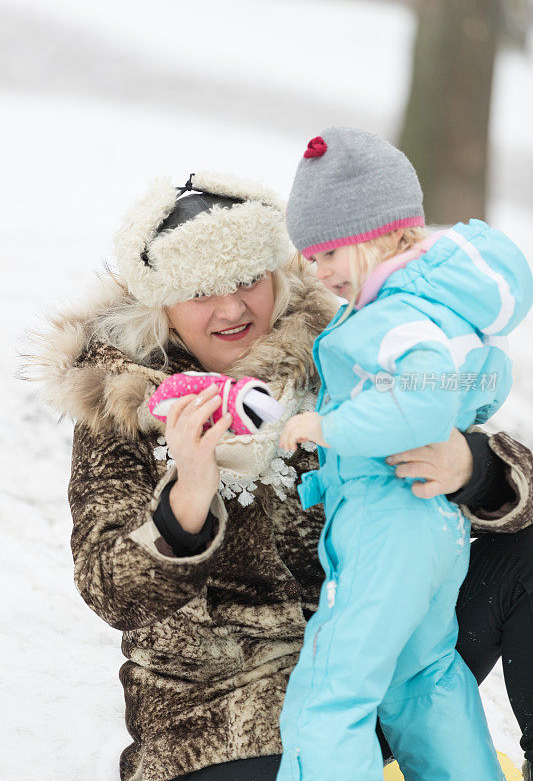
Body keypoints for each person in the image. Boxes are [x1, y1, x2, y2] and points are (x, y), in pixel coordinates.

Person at [23, 168, 533, 781]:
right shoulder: (125, 402)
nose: (234, 308)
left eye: (248, 280)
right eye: (202, 291)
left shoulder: (341, 346)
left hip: (380, 658)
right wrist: (188, 496)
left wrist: (472, 468)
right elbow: (111, 589)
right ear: (160, 303)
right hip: (225, 714)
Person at [276, 127, 533, 781]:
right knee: (424, 680)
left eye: (330, 250)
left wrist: (324, 429)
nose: (319, 271)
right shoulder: (444, 311)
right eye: (309, 256)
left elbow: (416, 408)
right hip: (429, 526)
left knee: (331, 693)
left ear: (384, 232)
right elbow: (478, 384)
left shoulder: (397, 318)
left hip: (385, 531)